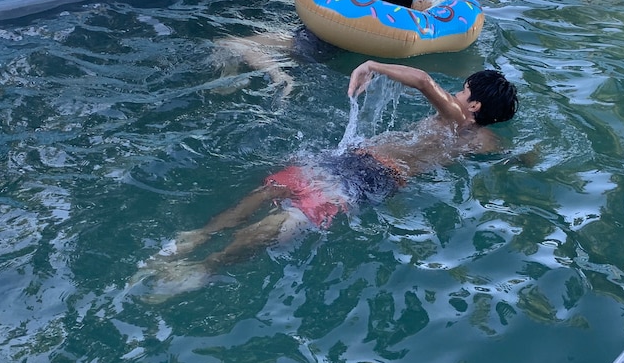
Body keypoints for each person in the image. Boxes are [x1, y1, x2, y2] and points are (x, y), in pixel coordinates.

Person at [130, 60, 518, 299]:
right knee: (272, 192)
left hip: (368, 177)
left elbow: (420, 79)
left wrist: (372, 66)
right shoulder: (484, 140)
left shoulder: (456, 119)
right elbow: (507, 152)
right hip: (355, 164)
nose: (455, 93)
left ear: (475, 105)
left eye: (463, 90)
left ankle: (203, 262)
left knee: (276, 212)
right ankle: (198, 246)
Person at [209, 0, 415, 97]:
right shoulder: (403, 24)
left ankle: (278, 76)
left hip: (306, 42)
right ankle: (232, 74)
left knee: (230, 43)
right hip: (329, 54)